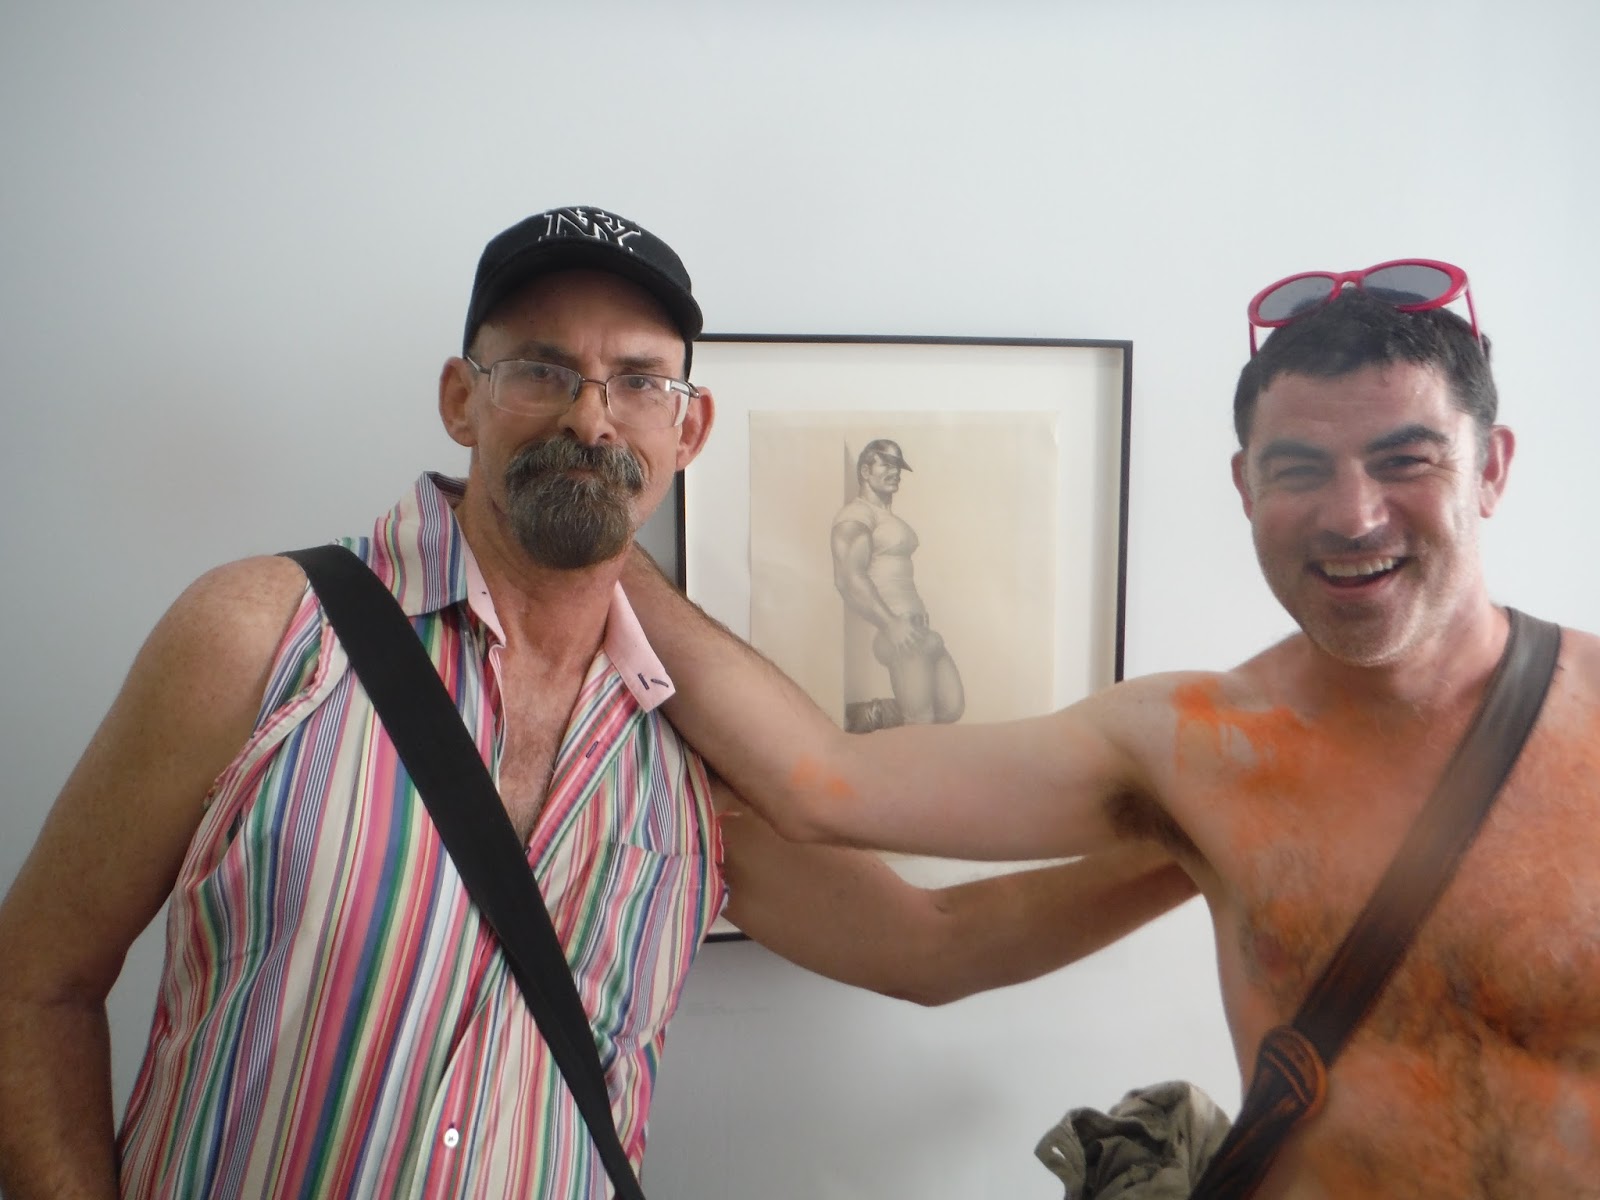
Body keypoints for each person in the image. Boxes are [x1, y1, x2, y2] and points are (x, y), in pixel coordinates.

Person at [0, 205, 1195, 1200]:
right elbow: (34, 983)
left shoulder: (692, 755)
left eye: (637, 380)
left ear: (689, 425)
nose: (589, 415)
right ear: (461, 400)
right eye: (541, 370)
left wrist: (1215, 846)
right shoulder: (262, 635)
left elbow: (936, 946)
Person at [621, 266, 1600, 1197]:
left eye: (1404, 461)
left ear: (1490, 467)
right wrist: (597, 552)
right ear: (1245, 486)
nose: (1352, 516)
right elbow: (824, 785)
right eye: (1299, 468)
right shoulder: (1198, 753)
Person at [831, 437, 965, 731]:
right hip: (899, 631)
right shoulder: (857, 515)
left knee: (951, 707)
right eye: (887, 465)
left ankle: (867, 714)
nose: (895, 473)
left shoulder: (885, 517)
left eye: (898, 467)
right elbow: (848, 577)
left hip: (920, 630)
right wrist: (891, 624)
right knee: (921, 722)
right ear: (865, 471)